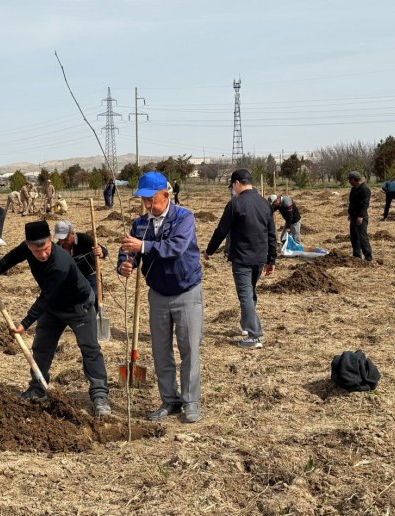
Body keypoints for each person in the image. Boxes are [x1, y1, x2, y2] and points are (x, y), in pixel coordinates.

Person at [0, 220, 111, 417]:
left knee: (89, 348)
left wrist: (24, 324)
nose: (42, 255)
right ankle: (37, 389)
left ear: (51, 241)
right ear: (29, 245)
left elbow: (45, 298)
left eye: (46, 248)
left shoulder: (60, 262)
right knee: (41, 347)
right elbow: (11, 258)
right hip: (53, 309)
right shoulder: (26, 248)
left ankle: (99, 395)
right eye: (36, 251)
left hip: (78, 305)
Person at [117, 171, 204, 423]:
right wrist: (125, 264)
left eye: (151, 199)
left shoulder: (184, 218)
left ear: (166, 196)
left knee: (188, 348)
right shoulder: (140, 224)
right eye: (143, 200)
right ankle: (169, 399)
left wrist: (142, 247)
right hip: (157, 294)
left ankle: (190, 401)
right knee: (160, 351)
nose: (147, 205)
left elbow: (176, 248)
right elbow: (128, 252)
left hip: (186, 291)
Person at [204, 168, 276, 349]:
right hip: (260, 257)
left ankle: (254, 336)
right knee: (249, 293)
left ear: (237, 183)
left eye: (232, 186)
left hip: (242, 258)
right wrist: (272, 259)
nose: (233, 189)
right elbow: (272, 234)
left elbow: (221, 230)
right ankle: (246, 325)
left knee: (245, 296)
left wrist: (209, 251)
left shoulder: (235, 204)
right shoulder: (264, 203)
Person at [54, 220, 107, 311]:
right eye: (60, 239)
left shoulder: (84, 239)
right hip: (72, 279)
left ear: (73, 233)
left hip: (91, 275)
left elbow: (104, 251)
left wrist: (100, 252)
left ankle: (95, 316)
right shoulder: (57, 248)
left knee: (94, 296)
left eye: (65, 239)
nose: (62, 242)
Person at [347, 171, 373, 261]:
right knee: (354, 237)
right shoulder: (353, 189)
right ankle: (356, 256)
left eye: (350, 180)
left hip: (360, 217)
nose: (349, 181)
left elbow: (365, 204)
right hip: (353, 216)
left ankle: (368, 257)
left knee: (362, 237)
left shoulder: (365, 189)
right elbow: (352, 202)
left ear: (354, 180)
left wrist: (361, 216)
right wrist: (350, 214)